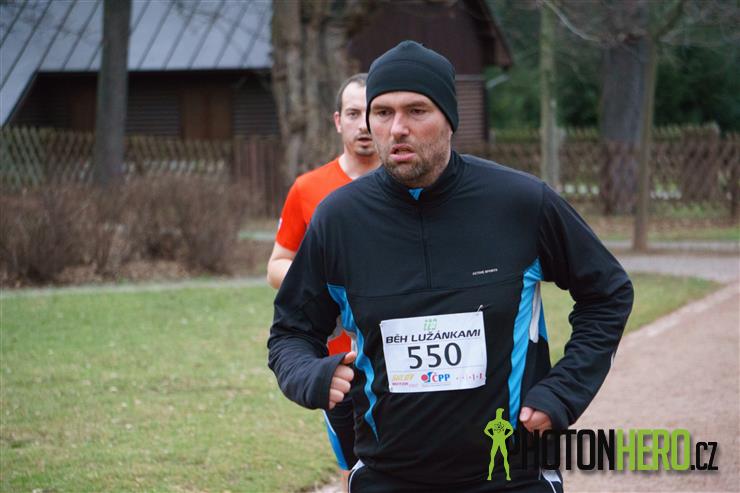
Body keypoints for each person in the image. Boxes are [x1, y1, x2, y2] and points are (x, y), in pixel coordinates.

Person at [268, 41, 633, 492]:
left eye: (416, 110)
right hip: (388, 475)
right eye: (382, 113)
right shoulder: (338, 220)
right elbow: (290, 333)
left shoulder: (520, 202)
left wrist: (563, 391)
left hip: (511, 474)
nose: (397, 128)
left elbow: (607, 293)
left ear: (449, 119)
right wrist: (309, 376)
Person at [266, 73, 379, 490]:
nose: (363, 125)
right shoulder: (308, 189)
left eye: (372, 113)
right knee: (354, 468)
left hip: (399, 355)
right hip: (339, 362)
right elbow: (277, 264)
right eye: (353, 113)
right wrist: (326, 288)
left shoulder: (408, 185)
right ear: (337, 120)